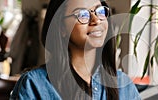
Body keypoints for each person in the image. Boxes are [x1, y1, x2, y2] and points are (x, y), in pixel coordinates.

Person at [10, 0, 141, 99]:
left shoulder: (124, 85)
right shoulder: (34, 85)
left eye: (100, 11)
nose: (96, 20)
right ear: (61, 28)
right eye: (82, 14)